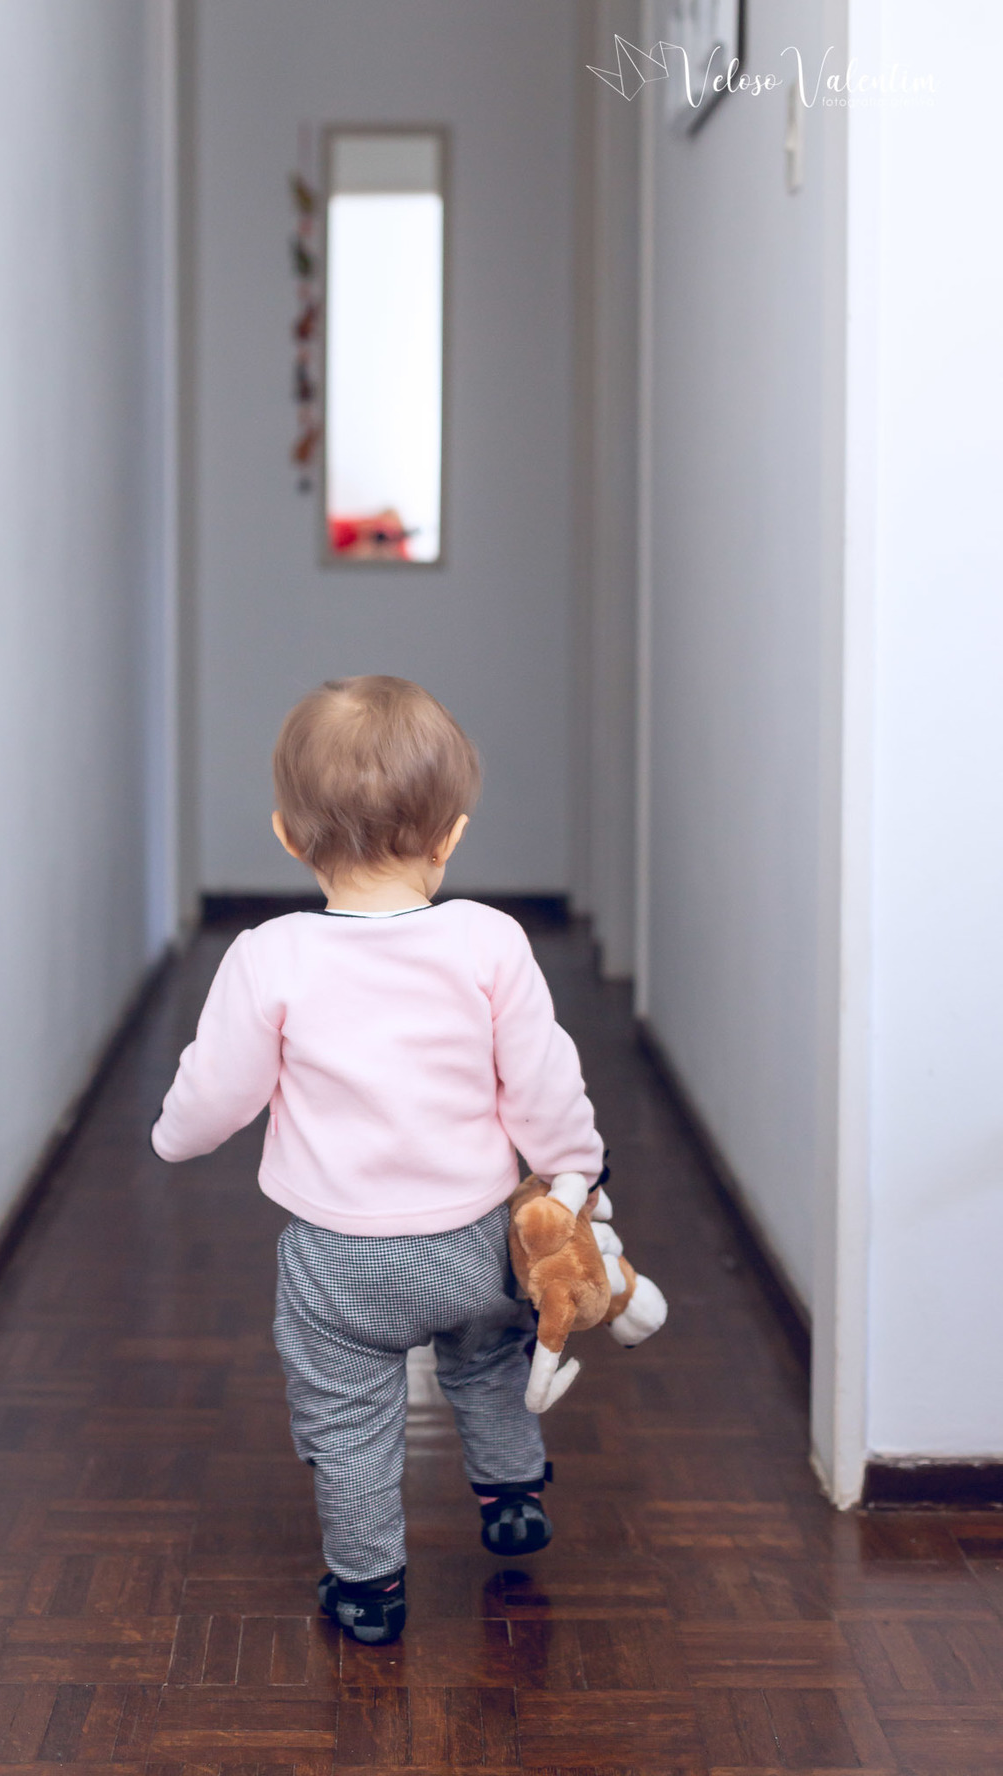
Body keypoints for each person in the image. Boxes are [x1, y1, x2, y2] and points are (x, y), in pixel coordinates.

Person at [151, 675, 604, 1645]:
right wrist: (575, 1174)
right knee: (489, 1360)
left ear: (286, 834)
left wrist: (172, 1136)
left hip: (340, 1258)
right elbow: (540, 1079)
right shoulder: (489, 940)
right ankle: (513, 1491)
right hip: (478, 1241)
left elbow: (217, 1089)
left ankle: (368, 1590)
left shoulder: (270, 955)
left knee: (351, 1419)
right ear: (452, 836)